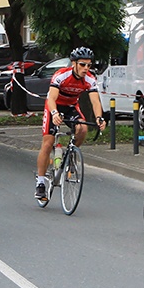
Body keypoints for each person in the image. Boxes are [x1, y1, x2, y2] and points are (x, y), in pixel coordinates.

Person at [34, 47, 108, 201]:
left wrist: (99, 118)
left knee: (82, 128)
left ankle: (72, 154)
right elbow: (52, 99)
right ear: (73, 63)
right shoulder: (61, 75)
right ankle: (40, 183)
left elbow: (95, 101)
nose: (86, 68)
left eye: (89, 65)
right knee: (48, 142)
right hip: (54, 106)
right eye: (82, 65)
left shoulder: (89, 79)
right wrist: (54, 114)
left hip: (71, 106)